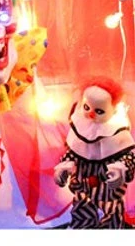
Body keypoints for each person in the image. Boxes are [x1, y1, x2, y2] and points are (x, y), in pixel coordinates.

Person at [54, 76, 135, 229]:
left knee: (111, 216)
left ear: (113, 110)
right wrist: (65, 165)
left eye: (99, 111)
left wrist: (122, 169)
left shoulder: (117, 130)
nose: (91, 114)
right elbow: (74, 150)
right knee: (82, 215)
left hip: (108, 190)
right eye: (86, 107)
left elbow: (130, 155)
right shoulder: (81, 125)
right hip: (83, 187)